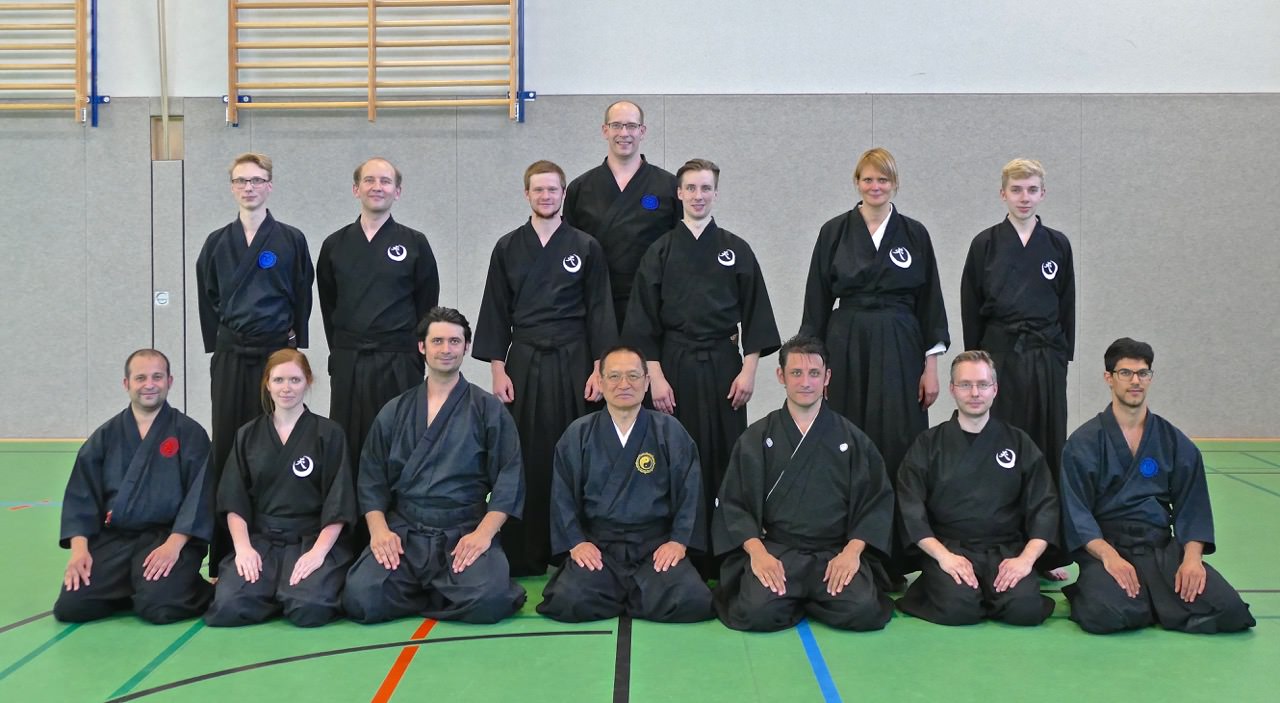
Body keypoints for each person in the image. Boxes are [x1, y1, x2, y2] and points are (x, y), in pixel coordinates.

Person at [624, 158, 780, 577]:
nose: (698, 196)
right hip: (673, 365)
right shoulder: (660, 251)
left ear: (716, 193)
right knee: (673, 453)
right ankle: (679, 545)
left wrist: (749, 370)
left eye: (705, 188)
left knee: (725, 453)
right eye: (690, 188)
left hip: (725, 366)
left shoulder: (736, 249)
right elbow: (642, 321)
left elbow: (757, 315)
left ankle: (727, 547)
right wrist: (655, 377)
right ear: (679, 194)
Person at [799, 147, 948, 584]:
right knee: (846, 439)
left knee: (899, 441)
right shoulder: (834, 232)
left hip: (901, 344)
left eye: (883, 180)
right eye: (867, 179)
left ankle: (897, 555)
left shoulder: (915, 234)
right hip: (846, 344)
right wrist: (815, 368)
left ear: (894, 184)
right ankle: (843, 548)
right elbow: (816, 301)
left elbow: (930, 304)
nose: (875, 186)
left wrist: (931, 367)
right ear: (857, 183)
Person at [474, 160, 617, 577]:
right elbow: (496, 309)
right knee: (525, 450)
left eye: (553, 189)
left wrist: (599, 367)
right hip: (525, 358)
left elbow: (600, 309)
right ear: (527, 194)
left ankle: (575, 546)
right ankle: (526, 548)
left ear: (563, 194)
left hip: (575, 357)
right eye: (538, 189)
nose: (546, 196)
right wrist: (498, 369)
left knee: (577, 449)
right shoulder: (507, 247)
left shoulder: (586, 246)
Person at [342, 307, 527, 624]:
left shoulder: (487, 409)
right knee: (361, 597)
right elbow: (371, 480)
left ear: (466, 347)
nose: (446, 349)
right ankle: (440, 592)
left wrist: (483, 535)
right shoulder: (395, 410)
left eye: (455, 341)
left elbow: (509, 480)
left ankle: (422, 592)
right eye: (437, 341)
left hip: (463, 530)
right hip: (405, 531)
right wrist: (380, 532)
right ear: (421, 347)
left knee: (490, 599)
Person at [1060, 338, 1255, 634]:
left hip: (1161, 549)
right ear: (1109, 378)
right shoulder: (1083, 443)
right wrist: (1109, 557)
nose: (1135, 381)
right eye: (1125, 373)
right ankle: (1132, 599)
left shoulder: (1172, 440)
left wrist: (1192, 560)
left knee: (1230, 611)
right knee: (1103, 614)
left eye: (1143, 373)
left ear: (1150, 377)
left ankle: (1148, 602)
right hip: (1109, 548)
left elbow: (1193, 506)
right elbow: (1077, 513)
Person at [712, 336, 895, 632]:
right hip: (779, 550)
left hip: (834, 553)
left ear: (827, 377)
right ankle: (801, 599)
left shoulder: (852, 439)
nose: (805, 382)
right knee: (755, 613)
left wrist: (851, 554)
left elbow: (876, 502)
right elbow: (734, 503)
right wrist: (759, 555)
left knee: (863, 611)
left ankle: (799, 599)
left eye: (814, 373)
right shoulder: (757, 437)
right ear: (781, 376)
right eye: (796, 373)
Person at [197, 152, 314, 576]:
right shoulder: (216, 242)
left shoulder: (290, 239)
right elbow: (208, 297)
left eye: (257, 180)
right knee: (228, 444)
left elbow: (303, 294)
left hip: (274, 352)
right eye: (241, 181)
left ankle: (277, 540)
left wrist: (294, 347)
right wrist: (221, 343)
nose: (249, 187)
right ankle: (225, 552)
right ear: (232, 187)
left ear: (270, 186)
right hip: (232, 354)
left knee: (277, 439)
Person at [537, 345, 713, 623]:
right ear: (600, 381)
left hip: (654, 548)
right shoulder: (578, 434)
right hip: (600, 548)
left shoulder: (670, 431)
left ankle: (622, 596)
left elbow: (690, 493)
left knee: (694, 600)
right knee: (567, 600)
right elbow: (562, 496)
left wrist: (678, 542)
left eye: (633, 376)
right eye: (614, 376)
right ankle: (638, 596)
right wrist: (577, 543)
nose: (624, 384)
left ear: (647, 381)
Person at [895, 351, 1060, 626]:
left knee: (1025, 611)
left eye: (983, 384)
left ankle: (993, 594)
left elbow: (1045, 505)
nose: (975, 393)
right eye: (965, 384)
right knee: (958, 610)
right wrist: (943, 557)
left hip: (1005, 550)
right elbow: (910, 508)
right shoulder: (928, 444)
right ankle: (949, 588)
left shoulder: (1018, 442)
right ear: (952, 389)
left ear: (995, 389)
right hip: (949, 548)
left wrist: (1025, 560)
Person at [55, 349, 214, 623]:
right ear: (126, 383)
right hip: (115, 540)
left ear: (170, 381)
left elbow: (200, 497)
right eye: (141, 378)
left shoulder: (189, 433)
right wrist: (79, 551)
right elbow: (81, 496)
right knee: (71, 606)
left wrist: (173, 545)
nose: (149, 384)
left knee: (160, 608)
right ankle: (136, 586)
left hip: (168, 538)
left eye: (157, 377)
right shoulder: (105, 436)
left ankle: (197, 590)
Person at [204, 350, 357, 627]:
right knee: (229, 606)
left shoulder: (328, 433)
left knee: (309, 608)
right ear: (267, 383)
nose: (286, 388)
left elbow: (339, 502)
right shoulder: (248, 435)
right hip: (262, 540)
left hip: (309, 539)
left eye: (295, 380)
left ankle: (282, 592)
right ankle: (275, 589)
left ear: (308, 381)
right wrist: (243, 549)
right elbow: (233, 499)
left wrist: (318, 553)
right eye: (279, 380)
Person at [317, 157, 439, 470]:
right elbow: (329, 305)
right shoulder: (334, 245)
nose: (377, 187)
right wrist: (341, 351)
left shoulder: (415, 243)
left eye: (385, 181)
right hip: (350, 359)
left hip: (399, 359)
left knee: (399, 437)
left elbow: (427, 305)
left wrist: (414, 355)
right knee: (347, 439)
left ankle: (398, 501)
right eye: (369, 180)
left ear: (397, 191)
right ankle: (348, 502)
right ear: (356, 189)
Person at [960, 158, 1074, 489]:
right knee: (1001, 431)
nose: (1024, 197)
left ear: (1042, 194)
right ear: (1003, 194)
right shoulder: (985, 244)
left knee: (1049, 431)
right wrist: (977, 362)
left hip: (1046, 352)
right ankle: (998, 503)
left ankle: (1048, 508)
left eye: (1032, 190)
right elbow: (971, 305)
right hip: (1000, 352)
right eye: (1017, 190)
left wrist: (1062, 357)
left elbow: (1067, 305)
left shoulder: (1057, 244)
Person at [564, 100, 679, 329]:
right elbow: (569, 251)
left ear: (642, 131)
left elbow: (680, 250)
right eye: (616, 125)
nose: (624, 133)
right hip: (596, 302)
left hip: (653, 302)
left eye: (631, 126)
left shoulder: (669, 186)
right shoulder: (580, 188)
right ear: (605, 130)